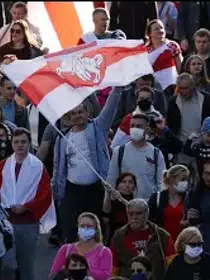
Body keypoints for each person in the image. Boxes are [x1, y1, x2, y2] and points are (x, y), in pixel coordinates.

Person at [0, 128, 54, 280]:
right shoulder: (3, 165)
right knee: (7, 265)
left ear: (29, 143)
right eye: (16, 142)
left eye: (23, 142)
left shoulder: (38, 166)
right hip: (7, 222)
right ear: (12, 144)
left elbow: (45, 195)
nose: (20, 145)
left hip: (28, 223)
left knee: (26, 266)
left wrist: (27, 207)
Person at [53, 86, 123, 243]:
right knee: (71, 235)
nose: (78, 116)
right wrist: (57, 193)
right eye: (74, 113)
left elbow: (110, 107)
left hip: (95, 191)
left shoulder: (98, 127)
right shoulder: (62, 138)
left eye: (80, 112)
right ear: (69, 116)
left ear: (87, 113)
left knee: (95, 233)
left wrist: (118, 88)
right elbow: (58, 169)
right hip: (72, 193)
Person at [109, 199, 175, 280]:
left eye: (138, 213)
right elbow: (113, 267)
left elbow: (173, 266)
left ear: (147, 214)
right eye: (130, 213)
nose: (134, 217)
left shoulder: (162, 236)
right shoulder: (119, 236)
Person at [107, 114, 165, 200]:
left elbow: (161, 183)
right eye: (132, 126)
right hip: (124, 204)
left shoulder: (156, 153)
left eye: (138, 126)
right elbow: (111, 180)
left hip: (147, 205)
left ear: (147, 130)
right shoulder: (119, 151)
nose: (134, 128)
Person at [50, 213, 112, 280]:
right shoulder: (65, 249)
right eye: (82, 226)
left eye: (89, 226)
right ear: (78, 228)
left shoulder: (104, 252)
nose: (85, 228)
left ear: (96, 230)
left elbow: (104, 278)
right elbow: (54, 273)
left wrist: (81, 271)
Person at [147, 164, 189, 242]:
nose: (185, 183)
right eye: (182, 179)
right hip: (162, 242)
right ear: (172, 179)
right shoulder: (157, 198)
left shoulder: (189, 198)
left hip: (183, 243)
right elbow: (148, 220)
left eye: (187, 180)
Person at [185, 160, 210, 253]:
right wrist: (190, 217)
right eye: (207, 173)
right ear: (203, 175)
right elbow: (184, 222)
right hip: (200, 245)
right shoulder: (195, 195)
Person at [102, 172, 137, 245]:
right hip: (114, 236)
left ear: (134, 187)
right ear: (117, 186)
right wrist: (108, 194)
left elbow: (134, 209)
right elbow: (106, 216)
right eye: (123, 182)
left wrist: (121, 198)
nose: (127, 185)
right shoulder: (113, 202)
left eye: (130, 182)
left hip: (131, 237)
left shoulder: (137, 202)